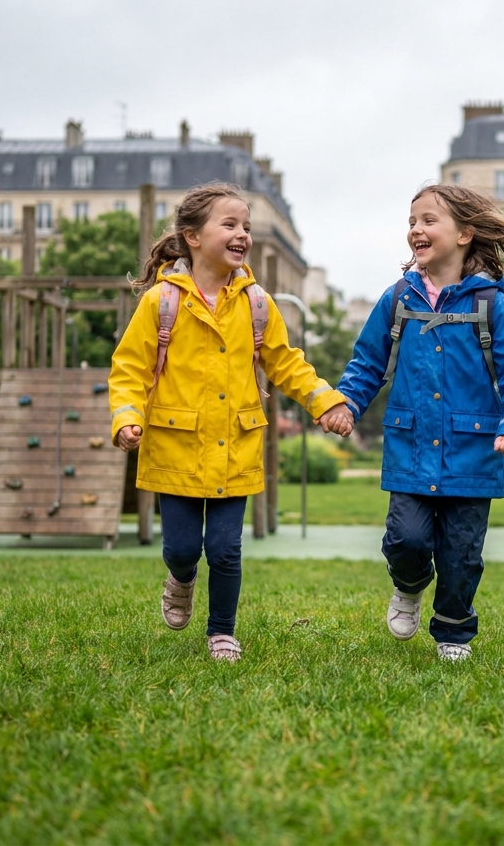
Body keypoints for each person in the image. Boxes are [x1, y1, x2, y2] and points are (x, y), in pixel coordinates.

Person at [109, 183, 352, 662]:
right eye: (230, 224)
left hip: (234, 448)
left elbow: (287, 362)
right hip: (175, 446)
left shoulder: (256, 303)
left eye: (246, 226)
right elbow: (130, 368)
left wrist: (325, 402)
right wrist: (126, 416)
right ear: (193, 237)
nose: (243, 234)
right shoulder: (161, 301)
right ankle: (180, 579)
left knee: (224, 549)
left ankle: (222, 631)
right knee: (181, 548)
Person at [322, 184, 504, 661]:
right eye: (411, 222)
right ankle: (409, 584)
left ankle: (453, 632)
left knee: (462, 554)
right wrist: (346, 404)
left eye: (427, 220)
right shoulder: (398, 299)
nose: (415, 230)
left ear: (465, 233)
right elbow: (367, 364)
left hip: (473, 452)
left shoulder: (491, 306)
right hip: (411, 447)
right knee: (406, 539)